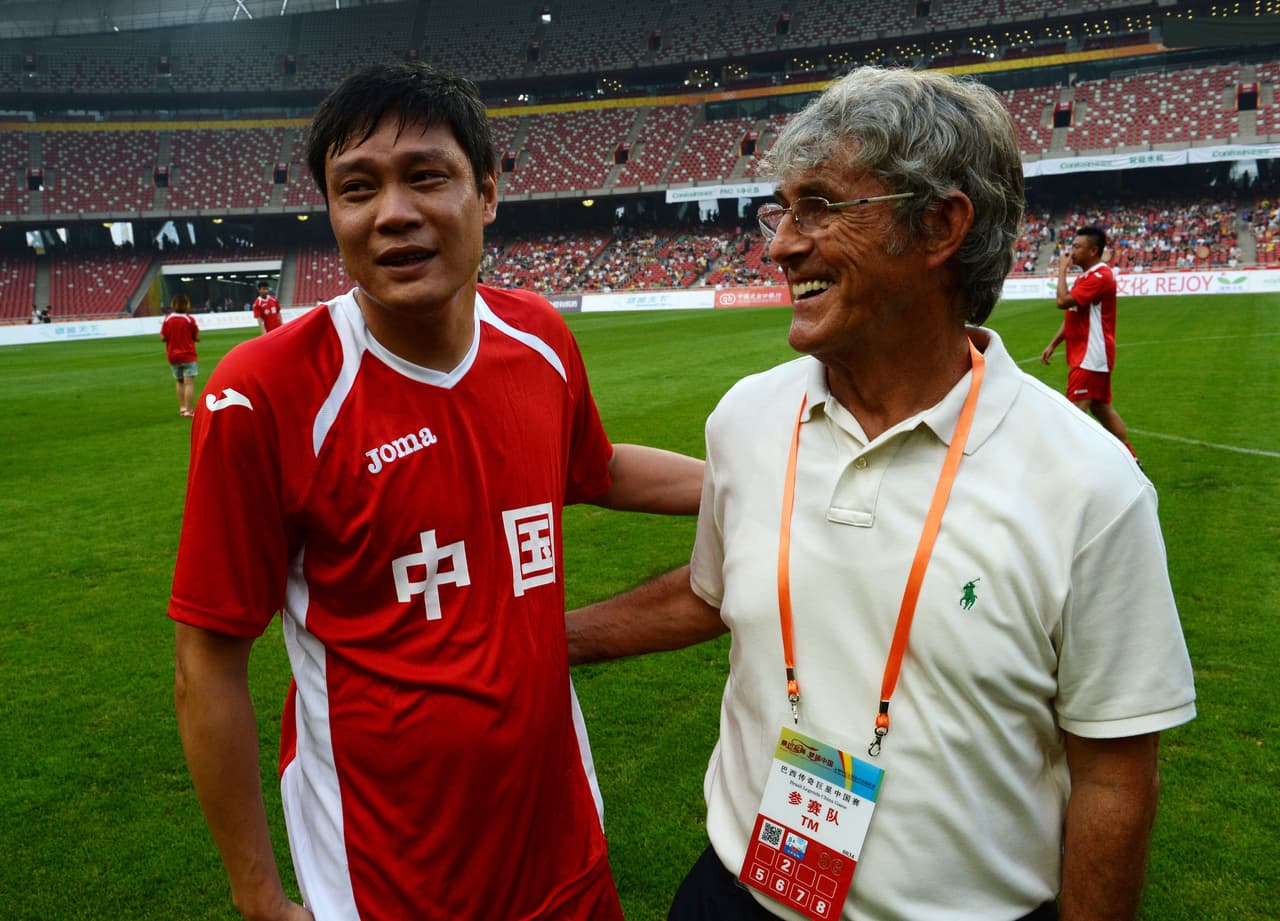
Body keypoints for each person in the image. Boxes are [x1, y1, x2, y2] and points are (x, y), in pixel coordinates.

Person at [568, 67, 1195, 921]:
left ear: (940, 224)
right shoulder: (746, 418)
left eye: (821, 206)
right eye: (779, 209)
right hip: (735, 895)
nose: (783, 243)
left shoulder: (1091, 484)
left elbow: (1116, 773)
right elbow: (715, 593)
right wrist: (548, 640)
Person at [169, 62, 703, 921]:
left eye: (426, 176)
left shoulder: (537, 338)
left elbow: (593, 470)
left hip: (566, 843)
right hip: (383, 875)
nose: (393, 213)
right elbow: (208, 662)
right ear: (331, 214)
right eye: (357, 189)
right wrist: (260, 895)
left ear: (485, 192)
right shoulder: (261, 393)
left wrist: (750, 482)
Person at [1040, 226, 1138, 459]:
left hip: (1091, 355)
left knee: (1073, 415)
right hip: (1090, 355)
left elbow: (1062, 301)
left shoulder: (1100, 276)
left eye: (1077, 247)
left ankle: (1072, 467)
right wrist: (1054, 343)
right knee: (1101, 409)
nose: (1071, 252)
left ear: (1093, 251)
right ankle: (1131, 460)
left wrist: (1062, 271)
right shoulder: (1087, 277)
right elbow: (1073, 312)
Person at [161, 292, 200, 418]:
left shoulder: (167, 319)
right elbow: (197, 337)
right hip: (188, 355)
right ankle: (189, 410)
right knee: (189, 383)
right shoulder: (189, 319)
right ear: (187, 305)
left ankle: (182, 407)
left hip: (173, 356)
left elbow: (163, 337)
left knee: (179, 381)